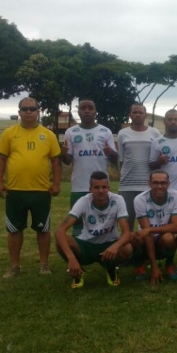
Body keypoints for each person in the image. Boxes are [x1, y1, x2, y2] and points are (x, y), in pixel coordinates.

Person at [0, 97, 62, 278]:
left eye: (32, 109)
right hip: (15, 190)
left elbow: (55, 161)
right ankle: (14, 266)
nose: (29, 112)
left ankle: (44, 265)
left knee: (43, 229)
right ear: (19, 112)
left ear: (38, 111)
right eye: (25, 109)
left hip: (41, 191)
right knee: (14, 230)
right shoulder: (9, 133)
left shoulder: (48, 135)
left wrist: (56, 183)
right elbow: (0, 158)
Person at [54, 171, 133, 288]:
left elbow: (127, 233)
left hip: (109, 245)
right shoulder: (83, 201)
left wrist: (116, 246)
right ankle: (78, 272)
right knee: (62, 241)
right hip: (87, 245)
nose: (101, 191)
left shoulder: (118, 200)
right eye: (96, 187)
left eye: (104, 187)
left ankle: (111, 269)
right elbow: (60, 231)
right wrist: (71, 258)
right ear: (90, 189)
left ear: (108, 188)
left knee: (127, 248)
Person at [60, 99, 118, 235]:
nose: (87, 111)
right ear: (78, 112)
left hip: (101, 186)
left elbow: (115, 159)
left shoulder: (105, 131)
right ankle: (80, 250)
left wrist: (111, 153)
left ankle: (101, 248)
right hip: (79, 185)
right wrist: (62, 154)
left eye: (90, 108)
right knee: (78, 223)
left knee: (102, 220)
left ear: (95, 112)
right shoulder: (71, 132)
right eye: (83, 108)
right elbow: (67, 161)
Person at [132, 170, 177, 283]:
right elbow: (147, 234)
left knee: (169, 238)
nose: (159, 186)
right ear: (149, 184)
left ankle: (170, 264)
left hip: (162, 238)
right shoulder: (140, 199)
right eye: (155, 183)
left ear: (168, 184)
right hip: (147, 240)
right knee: (135, 239)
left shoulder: (176, 196)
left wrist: (150, 229)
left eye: (163, 183)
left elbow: (176, 227)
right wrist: (154, 266)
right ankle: (141, 264)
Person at [117, 103, 161, 230]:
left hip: (147, 184)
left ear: (145, 115)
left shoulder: (154, 132)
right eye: (134, 112)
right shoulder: (122, 133)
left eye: (140, 112)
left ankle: (146, 249)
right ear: (130, 115)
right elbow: (122, 159)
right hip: (127, 184)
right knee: (127, 222)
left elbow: (156, 157)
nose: (137, 114)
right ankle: (127, 248)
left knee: (147, 223)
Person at [150, 109, 177, 195]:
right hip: (165, 190)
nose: (173, 122)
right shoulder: (157, 142)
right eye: (170, 119)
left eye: (176, 119)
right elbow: (151, 165)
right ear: (164, 122)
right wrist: (159, 162)